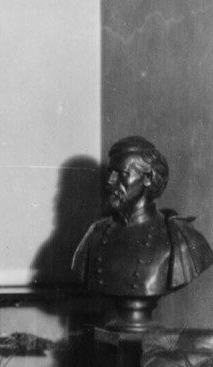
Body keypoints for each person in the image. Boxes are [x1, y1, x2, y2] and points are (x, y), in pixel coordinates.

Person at [72, 136, 213, 323]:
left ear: (148, 178)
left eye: (120, 173)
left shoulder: (180, 238)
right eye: (110, 173)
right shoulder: (95, 233)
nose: (110, 181)